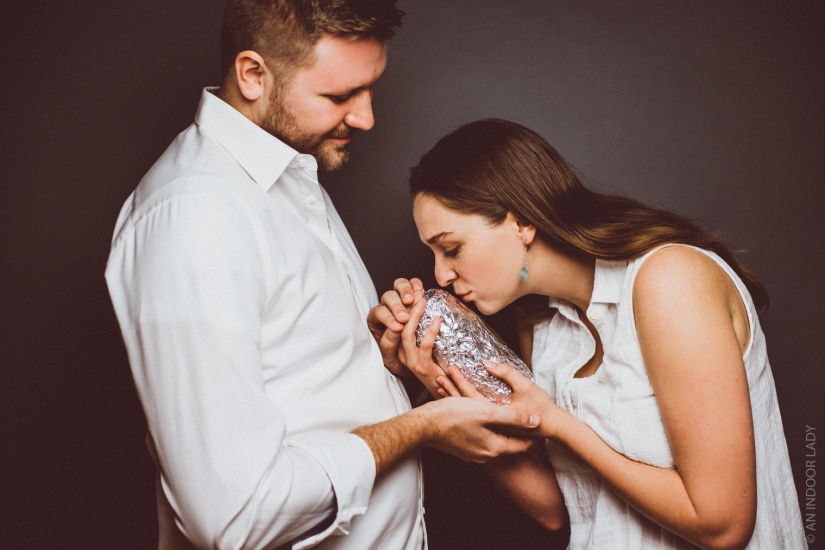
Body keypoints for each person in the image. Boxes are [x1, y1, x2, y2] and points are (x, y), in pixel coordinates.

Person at [105, 4, 542, 550]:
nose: (366, 119)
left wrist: (387, 362)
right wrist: (423, 427)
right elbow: (235, 518)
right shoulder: (196, 218)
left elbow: (311, 388)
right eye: (339, 96)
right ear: (252, 75)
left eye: (370, 88)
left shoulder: (289, 169)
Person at [370, 119, 807, 549]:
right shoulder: (542, 324)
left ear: (521, 222)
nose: (440, 274)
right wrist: (449, 393)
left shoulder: (669, 280)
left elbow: (723, 526)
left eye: (451, 248)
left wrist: (559, 425)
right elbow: (555, 511)